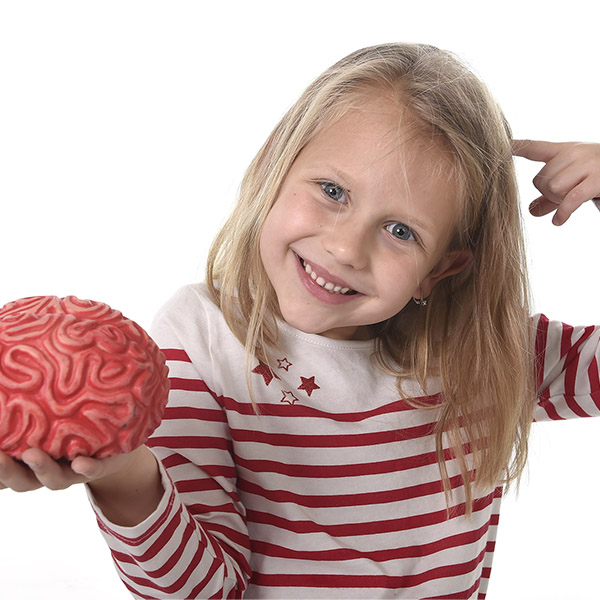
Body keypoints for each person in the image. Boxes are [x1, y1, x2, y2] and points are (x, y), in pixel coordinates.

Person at [1, 42, 599, 599]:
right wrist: (125, 474)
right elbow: (204, 589)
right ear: (274, 169)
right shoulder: (203, 341)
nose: (345, 247)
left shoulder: (479, 348)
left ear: (439, 271)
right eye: (333, 191)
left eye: (400, 231)